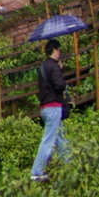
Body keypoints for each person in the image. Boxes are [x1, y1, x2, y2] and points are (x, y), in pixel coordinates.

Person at [30, 38, 70, 181]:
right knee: (49, 140)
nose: (59, 53)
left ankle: (69, 164)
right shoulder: (53, 66)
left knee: (61, 138)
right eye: (59, 50)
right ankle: (37, 171)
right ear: (55, 50)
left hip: (45, 107)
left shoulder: (42, 66)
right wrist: (59, 70)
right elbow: (60, 85)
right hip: (53, 107)